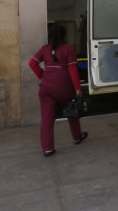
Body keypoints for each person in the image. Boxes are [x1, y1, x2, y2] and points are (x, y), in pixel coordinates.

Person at [28, 25, 88, 157]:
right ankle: (77, 137)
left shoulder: (45, 49)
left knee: (47, 119)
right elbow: (72, 70)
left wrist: (43, 76)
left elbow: (32, 63)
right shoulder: (69, 49)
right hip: (64, 87)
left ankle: (48, 148)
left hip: (46, 88)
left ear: (50, 36)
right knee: (72, 111)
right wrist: (77, 88)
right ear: (64, 36)